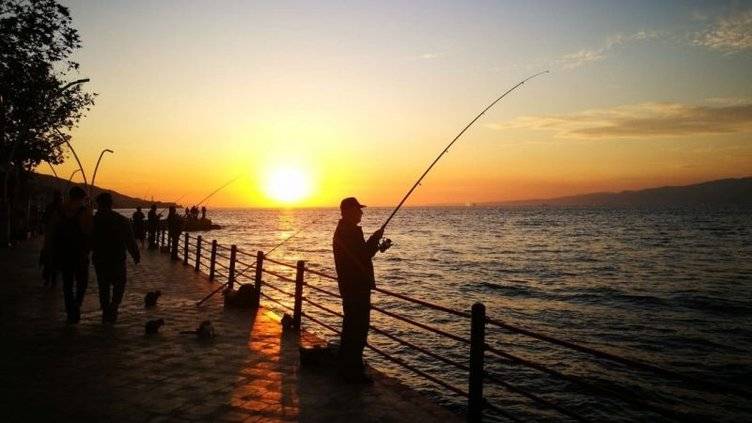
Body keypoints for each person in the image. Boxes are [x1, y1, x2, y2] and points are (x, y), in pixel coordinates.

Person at [332, 197, 389, 383]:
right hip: (355, 288)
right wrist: (375, 238)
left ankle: (348, 367)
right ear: (348, 211)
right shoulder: (348, 232)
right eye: (358, 210)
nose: (361, 213)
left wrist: (376, 242)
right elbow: (363, 254)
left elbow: (361, 256)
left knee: (352, 328)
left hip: (352, 287)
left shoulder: (346, 231)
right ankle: (352, 371)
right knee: (357, 329)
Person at [92, 193, 140, 323]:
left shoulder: (93, 221)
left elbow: (86, 239)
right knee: (120, 282)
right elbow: (129, 239)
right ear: (111, 204)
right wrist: (135, 254)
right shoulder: (121, 220)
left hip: (100, 259)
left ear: (99, 204)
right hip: (117, 258)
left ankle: (106, 308)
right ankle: (114, 305)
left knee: (103, 285)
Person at [53, 186, 92, 323]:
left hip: (63, 251)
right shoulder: (85, 211)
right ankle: (77, 304)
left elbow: (52, 231)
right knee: (82, 281)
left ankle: (70, 309)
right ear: (82, 197)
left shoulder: (60, 209)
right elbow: (88, 231)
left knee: (67, 283)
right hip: (80, 252)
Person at [40, 190, 62, 287]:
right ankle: (51, 279)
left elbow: (44, 220)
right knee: (53, 259)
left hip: (52, 237)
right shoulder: (61, 208)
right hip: (54, 237)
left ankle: (49, 279)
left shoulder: (52, 207)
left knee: (50, 258)